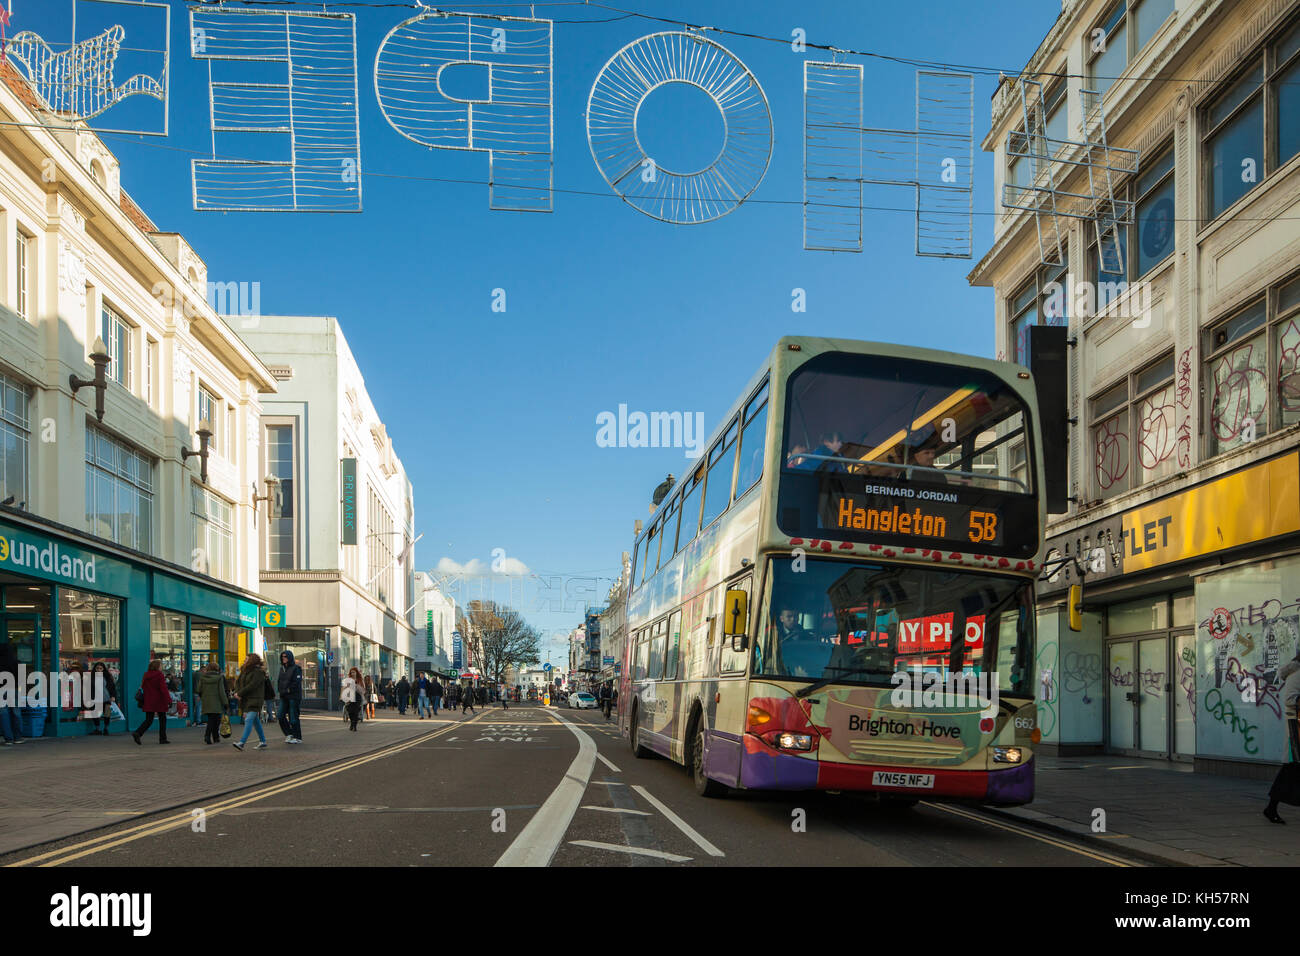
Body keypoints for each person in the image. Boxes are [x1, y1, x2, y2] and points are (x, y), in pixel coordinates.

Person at [1266, 652, 1300, 822]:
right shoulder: (1296, 675)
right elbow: (1290, 700)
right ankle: (1271, 807)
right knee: (1291, 769)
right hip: (1297, 730)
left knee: (1291, 770)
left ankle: (1271, 808)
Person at [231, 653, 271, 751]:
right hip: (246, 699)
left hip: (255, 699)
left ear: (252, 660)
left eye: (246, 659)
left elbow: (252, 685)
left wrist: (240, 693)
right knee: (255, 721)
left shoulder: (258, 672)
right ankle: (263, 741)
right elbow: (238, 683)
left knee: (248, 720)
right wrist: (237, 693)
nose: (244, 661)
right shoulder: (244, 671)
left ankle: (242, 742)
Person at [132, 659, 171, 745]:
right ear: (157, 667)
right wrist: (169, 700)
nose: (162, 667)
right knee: (162, 719)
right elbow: (163, 689)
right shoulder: (160, 675)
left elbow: (143, 687)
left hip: (149, 700)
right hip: (159, 700)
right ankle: (162, 738)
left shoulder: (146, 675)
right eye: (161, 665)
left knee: (149, 719)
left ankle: (138, 732)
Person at [196, 662, 229, 745]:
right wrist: (225, 702)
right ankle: (208, 736)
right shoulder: (219, 678)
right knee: (215, 720)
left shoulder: (203, 677)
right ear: (216, 669)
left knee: (211, 718)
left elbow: (199, 689)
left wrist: (203, 696)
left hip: (207, 701)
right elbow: (222, 691)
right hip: (217, 701)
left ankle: (215, 737)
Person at [277, 650, 304, 744]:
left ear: (290, 657)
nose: (283, 658)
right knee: (280, 715)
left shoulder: (296, 668)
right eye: (282, 656)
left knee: (293, 718)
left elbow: (296, 682)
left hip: (293, 696)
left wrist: (288, 690)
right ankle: (289, 734)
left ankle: (297, 737)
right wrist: (280, 690)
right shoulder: (282, 668)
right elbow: (279, 681)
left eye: (285, 656)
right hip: (284, 696)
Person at [87, 661, 117, 736]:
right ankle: (97, 729)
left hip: (107, 699)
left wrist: (113, 696)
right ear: (95, 669)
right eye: (97, 668)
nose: (99, 670)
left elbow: (113, 688)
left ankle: (106, 729)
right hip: (95, 699)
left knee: (107, 715)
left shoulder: (107, 677)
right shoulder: (91, 677)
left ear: (103, 669)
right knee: (95, 714)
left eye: (100, 668)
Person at [341, 667, 364, 732]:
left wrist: (358, 686)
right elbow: (344, 687)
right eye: (351, 672)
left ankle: (354, 726)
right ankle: (352, 723)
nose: (352, 673)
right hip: (350, 696)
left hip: (357, 696)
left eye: (354, 672)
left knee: (356, 711)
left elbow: (363, 688)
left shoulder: (360, 680)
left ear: (356, 673)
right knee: (350, 711)